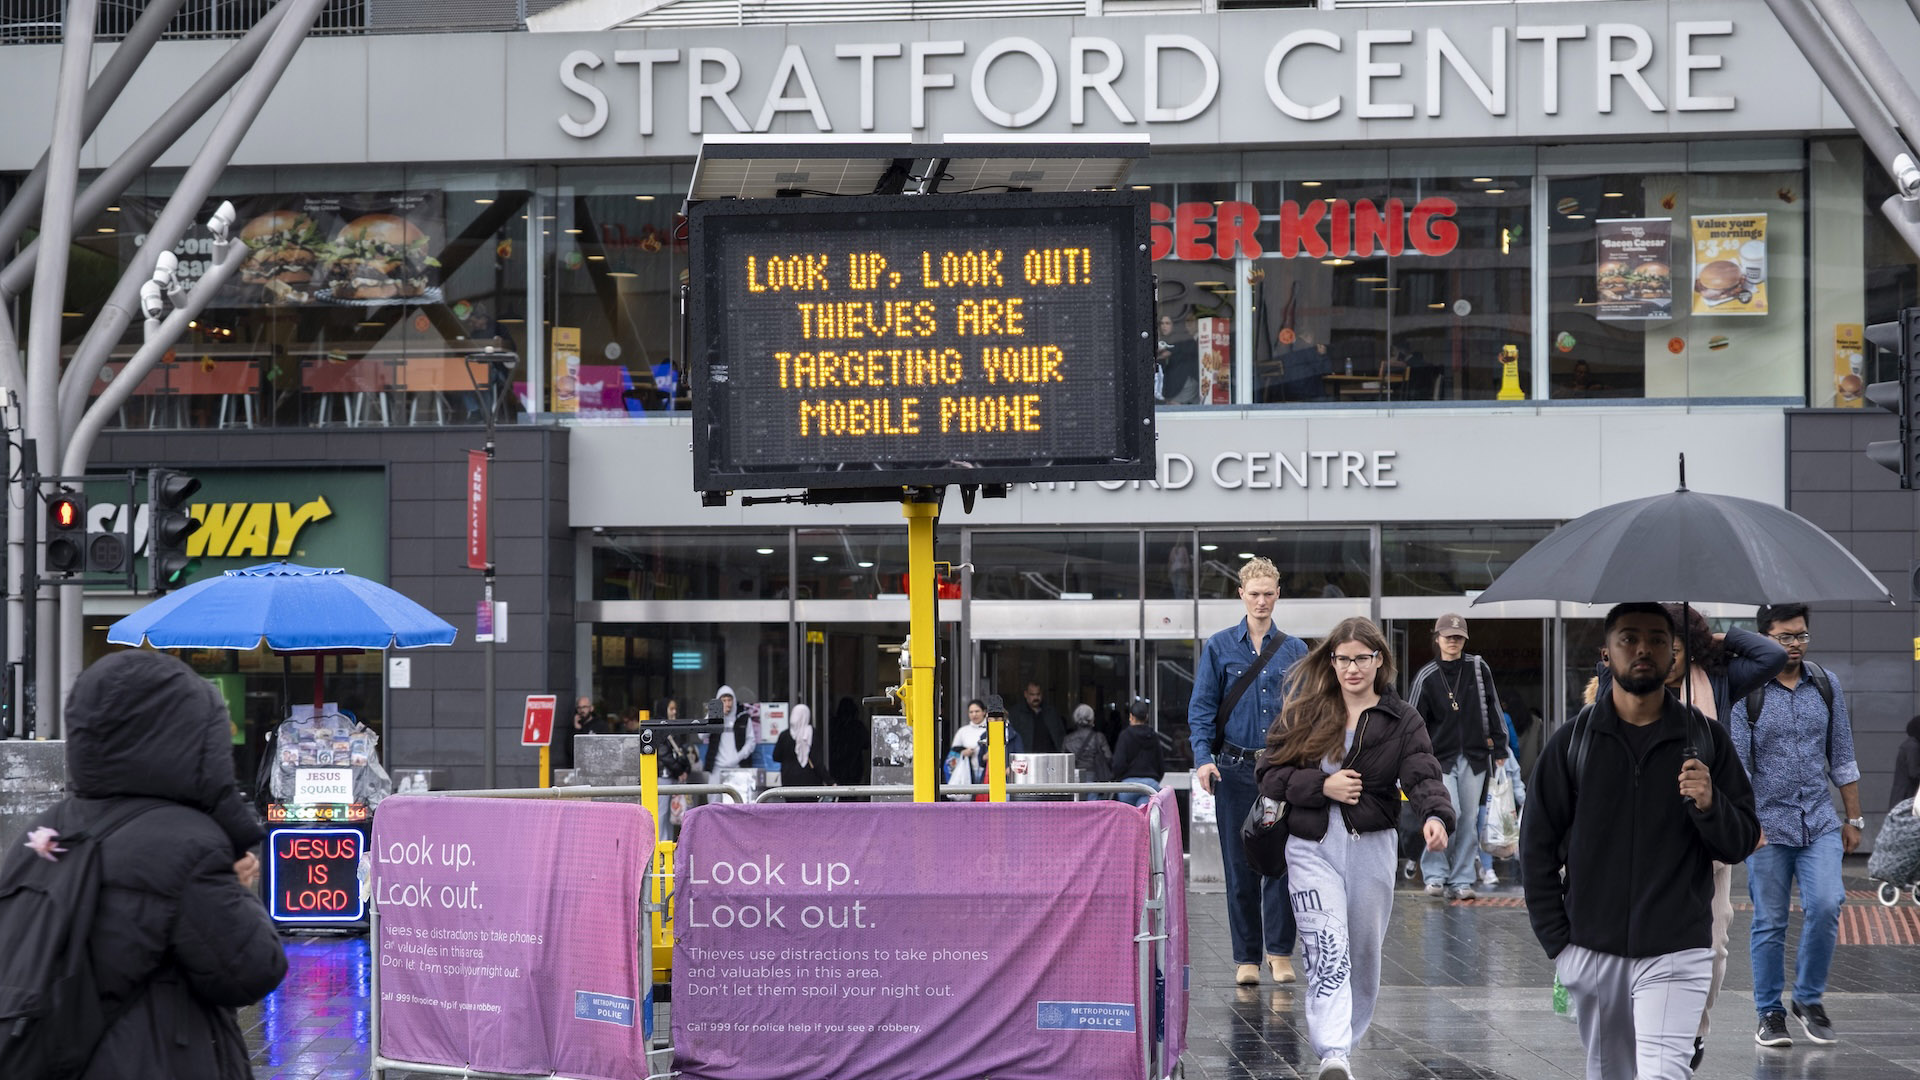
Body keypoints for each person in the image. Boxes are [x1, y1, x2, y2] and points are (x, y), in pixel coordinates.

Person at [0, 650, 287, 1078]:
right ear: (190, 739)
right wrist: (239, 891)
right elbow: (250, 970)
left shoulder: (49, 828)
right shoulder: (187, 841)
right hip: (153, 1059)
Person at [1521, 603, 1760, 1080]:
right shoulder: (1573, 742)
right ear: (1606, 654)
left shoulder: (1705, 740)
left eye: (1656, 639)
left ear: (1674, 653)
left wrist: (1711, 805)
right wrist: (1560, 945)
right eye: (1628, 638)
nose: (1642, 649)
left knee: (1663, 1073)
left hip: (1678, 948)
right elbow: (1536, 848)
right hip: (1592, 951)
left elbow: (1743, 840)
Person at [1256, 617, 1453, 1080]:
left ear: (1379, 660)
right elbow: (1268, 774)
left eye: (1361, 658)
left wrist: (1435, 816)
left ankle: (1346, 1040)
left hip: (1372, 846)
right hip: (1311, 846)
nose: (1351, 668)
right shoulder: (1306, 710)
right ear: (1332, 661)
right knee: (1328, 946)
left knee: (1363, 953)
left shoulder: (1401, 718)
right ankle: (1333, 1052)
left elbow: (1422, 774)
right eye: (1342, 659)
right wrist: (1323, 785)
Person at [1728, 603, 1863, 1050]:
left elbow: (1841, 753)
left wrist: (1854, 817)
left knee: (1826, 904)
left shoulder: (1825, 684)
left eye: (1801, 636)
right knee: (1770, 920)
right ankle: (1769, 1012)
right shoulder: (1746, 688)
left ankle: (1808, 999)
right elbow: (1738, 768)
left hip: (1819, 821)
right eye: (1785, 637)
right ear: (1763, 638)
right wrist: (1750, 824)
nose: (1795, 645)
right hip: (1766, 825)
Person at [1189, 556, 1310, 987]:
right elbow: (1202, 708)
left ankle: (1279, 954)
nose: (1261, 600)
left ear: (1279, 594)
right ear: (1241, 594)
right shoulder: (1220, 647)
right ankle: (1246, 958)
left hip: (1279, 769)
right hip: (1234, 769)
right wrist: (1203, 758)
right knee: (1239, 865)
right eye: (1254, 593)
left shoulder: (1296, 650)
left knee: (1280, 863)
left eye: (1268, 593)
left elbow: (1307, 713)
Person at [1406, 614, 1508, 900]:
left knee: (1469, 819)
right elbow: (1412, 721)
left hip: (1475, 755)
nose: (1453, 641)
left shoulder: (1478, 667)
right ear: (1437, 638)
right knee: (1447, 812)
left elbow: (1493, 706)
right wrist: (1412, 756)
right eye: (1448, 636)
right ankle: (1436, 874)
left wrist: (1500, 747)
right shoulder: (1427, 675)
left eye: (1458, 637)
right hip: (1439, 758)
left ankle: (1462, 878)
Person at [1112, 699, 1164, 807]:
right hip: (1150, 785)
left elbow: (1118, 765)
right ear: (1146, 717)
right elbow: (1161, 766)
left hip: (1128, 785)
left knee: (1128, 820)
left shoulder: (1125, 736)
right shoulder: (1153, 736)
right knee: (1146, 819)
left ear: (1131, 717)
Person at [774, 704, 827, 798]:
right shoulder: (812, 734)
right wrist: (830, 781)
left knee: (792, 811)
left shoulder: (784, 735)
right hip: (810, 781)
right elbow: (817, 762)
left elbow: (776, 756)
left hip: (788, 781)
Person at [702, 684, 756, 773]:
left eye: (729, 700)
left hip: (738, 767)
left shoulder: (743, 717)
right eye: (723, 701)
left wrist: (739, 756)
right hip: (716, 768)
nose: (727, 704)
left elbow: (751, 741)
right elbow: (702, 735)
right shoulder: (714, 718)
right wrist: (712, 714)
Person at [1006, 681, 1066, 755]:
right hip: (1025, 758)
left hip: (1049, 757)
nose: (1036, 697)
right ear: (1026, 694)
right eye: (1032, 694)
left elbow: (1060, 736)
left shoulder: (1051, 713)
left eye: (1038, 694)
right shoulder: (1016, 714)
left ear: (1042, 694)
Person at [1063, 703, 1113, 789]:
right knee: (1093, 802)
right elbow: (1108, 757)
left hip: (1074, 778)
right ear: (1092, 719)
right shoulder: (1099, 737)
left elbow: (1064, 761)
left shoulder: (1068, 739)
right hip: (1095, 777)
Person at [560, 695, 600, 769]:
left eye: (584, 707)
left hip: (594, 766)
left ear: (591, 708)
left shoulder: (600, 725)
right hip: (576, 768)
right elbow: (570, 750)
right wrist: (576, 729)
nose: (582, 710)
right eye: (579, 707)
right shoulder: (573, 726)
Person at [1893, 714, 1920, 808]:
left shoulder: (1910, 744)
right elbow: (1914, 772)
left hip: (1905, 797)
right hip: (1906, 798)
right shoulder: (1913, 747)